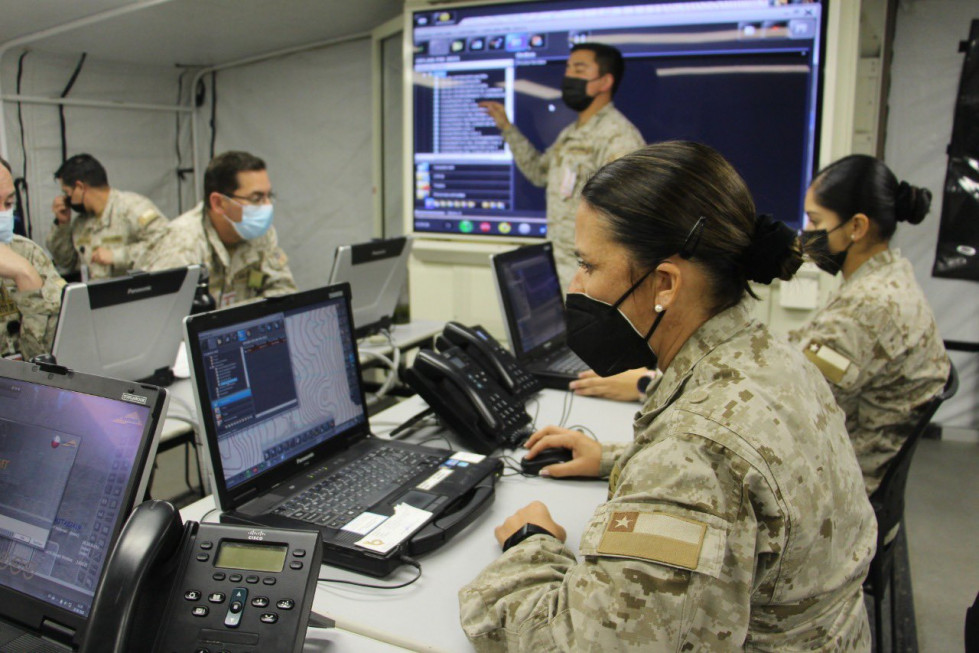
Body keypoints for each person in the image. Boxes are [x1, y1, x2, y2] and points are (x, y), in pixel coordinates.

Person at [459, 142, 876, 651]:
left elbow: (580, 645)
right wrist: (615, 460)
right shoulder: (772, 356)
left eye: (588, 265)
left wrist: (530, 547)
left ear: (664, 284)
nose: (575, 283)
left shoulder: (692, 455)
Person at [788, 155, 949, 495]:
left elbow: (797, 402)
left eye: (815, 220)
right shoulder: (886, 276)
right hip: (857, 463)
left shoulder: (869, 306)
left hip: (844, 484)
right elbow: (810, 356)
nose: (807, 232)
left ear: (856, 227)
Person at [479, 43, 644, 288]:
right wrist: (506, 127)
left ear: (604, 82)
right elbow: (538, 172)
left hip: (591, 281)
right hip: (559, 271)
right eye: (568, 69)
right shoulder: (570, 133)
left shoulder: (618, 136)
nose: (569, 77)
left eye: (579, 69)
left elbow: (627, 220)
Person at [137, 151, 297, 306]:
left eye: (269, 196)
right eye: (256, 198)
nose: (267, 206)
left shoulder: (261, 233)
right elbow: (162, 318)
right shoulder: (179, 245)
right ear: (219, 203)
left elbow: (284, 293)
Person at [48, 153, 167, 279]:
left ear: (80, 187)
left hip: (135, 294)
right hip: (97, 295)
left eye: (67, 192)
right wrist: (62, 224)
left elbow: (165, 245)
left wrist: (117, 256)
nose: (66, 199)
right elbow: (66, 262)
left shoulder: (132, 208)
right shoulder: (81, 223)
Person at [0, 158, 65, 360]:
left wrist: (26, 275)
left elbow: (55, 359)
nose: (3, 213)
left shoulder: (26, 253)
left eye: (8, 203)